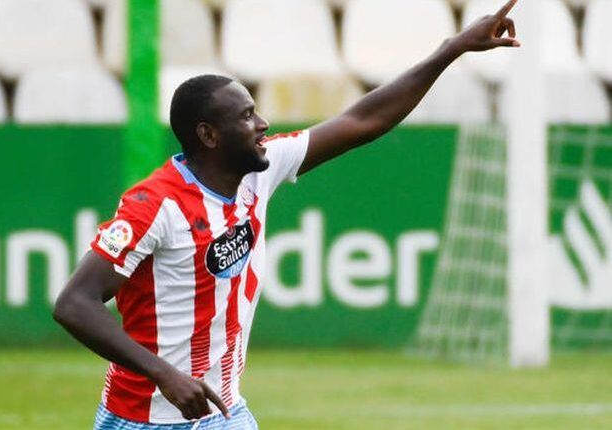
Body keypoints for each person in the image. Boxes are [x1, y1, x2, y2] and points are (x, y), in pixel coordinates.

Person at [53, 1, 520, 428]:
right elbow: (74, 303)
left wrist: (452, 48)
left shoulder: (261, 169)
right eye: (246, 116)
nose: (263, 124)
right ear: (209, 135)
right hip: (146, 420)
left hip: (224, 410)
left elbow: (363, 121)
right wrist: (165, 374)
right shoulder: (155, 205)